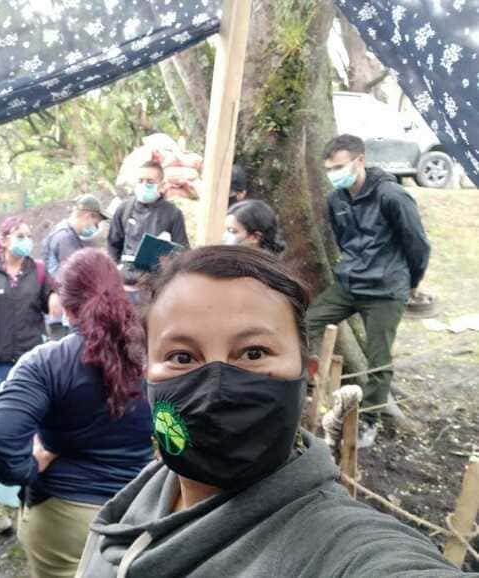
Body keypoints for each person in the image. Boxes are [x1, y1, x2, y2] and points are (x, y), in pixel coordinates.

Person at [75, 246, 470, 578]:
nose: (215, 385)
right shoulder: (150, 487)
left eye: (253, 353)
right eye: (182, 356)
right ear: (147, 374)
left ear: (306, 373)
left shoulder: (340, 545)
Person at [0, 248, 153, 578]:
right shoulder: (154, 353)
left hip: (65, 521)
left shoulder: (47, 362)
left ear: (66, 306)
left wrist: (27, 468)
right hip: (141, 509)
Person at [308, 134, 431, 448]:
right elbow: (342, 240)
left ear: (360, 161)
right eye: (330, 169)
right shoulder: (336, 199)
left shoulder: (392, 195)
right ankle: (311, 383)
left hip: (386, 290)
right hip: (350, 284)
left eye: (340, 166)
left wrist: (410, 282)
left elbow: (417, 243)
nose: (335, 173)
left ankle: (369, 421)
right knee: (308, 320)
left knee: (378, 361)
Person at [0, 216, 60, 398]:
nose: (26, 241)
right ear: (4, 241)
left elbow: (47, 302)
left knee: (33, 404)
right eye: (20, 236)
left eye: (28, 236)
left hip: (32, 356)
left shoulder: (39, 270)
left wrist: (54, 295)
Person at [107, 160, 189, 301]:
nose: (144, 185)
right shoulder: (124, 209)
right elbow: (113, 245)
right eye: (140, 181)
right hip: (124, 287)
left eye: (150, 181)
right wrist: (116, 271)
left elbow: (183, 252)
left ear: (162, 185)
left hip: (154, 289)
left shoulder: (173, 214)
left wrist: (166, 256)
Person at [41, 194, 109, 340]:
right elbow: (75, 276)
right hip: (65, 313)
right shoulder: (65, 238)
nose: (96, 227)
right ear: (87, 216)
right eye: (96, 222)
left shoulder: (68, 234)